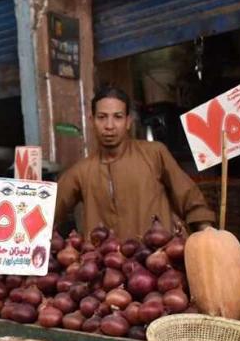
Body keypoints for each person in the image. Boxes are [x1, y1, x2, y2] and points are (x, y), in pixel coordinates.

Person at [54, 86, 215, 240]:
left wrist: (208, 239)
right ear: (92, 120)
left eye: (118, 117)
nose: (109, 126)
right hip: (106, 265)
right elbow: (47, 213)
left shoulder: (154, 154)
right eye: (102, 117)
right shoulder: (82, 172)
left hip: (158, 260)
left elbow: (191, 201)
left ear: (128, 121)